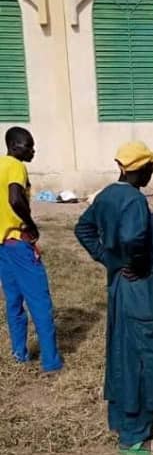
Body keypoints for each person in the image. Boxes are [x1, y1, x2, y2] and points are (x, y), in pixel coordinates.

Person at [74, 141, 153, 455]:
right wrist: (132, 261)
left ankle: (135, 420)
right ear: (142, 169)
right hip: (140, 290)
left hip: (120, 288)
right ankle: (134, 438)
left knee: (125, 352)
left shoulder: (108, 194)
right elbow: (132, 237)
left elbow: (82, 229)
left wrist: (110, 260)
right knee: (144, 355)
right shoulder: (135, 201)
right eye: (151, 166)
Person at [0, 127, 62, 372]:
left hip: (2, 245)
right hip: (19, 242)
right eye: (28, 146)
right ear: (14, 146)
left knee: (13, 300)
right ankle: (51, 362)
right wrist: (32, 225)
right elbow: (16, 199)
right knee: (39, 301)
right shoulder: (15, 165)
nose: (32, 151)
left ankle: (19, 353)